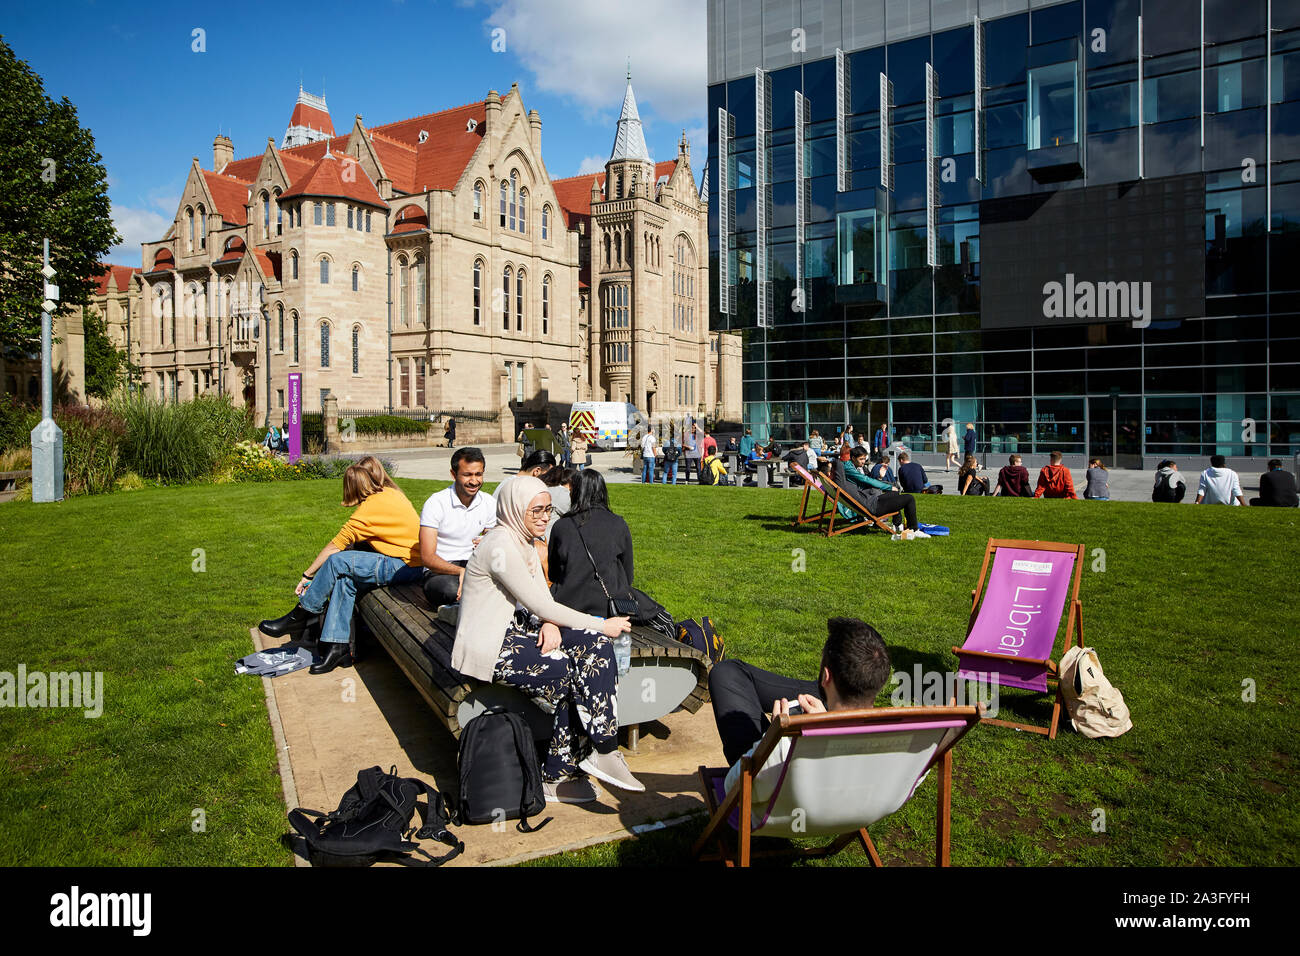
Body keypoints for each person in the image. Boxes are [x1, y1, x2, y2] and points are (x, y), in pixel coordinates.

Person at [452, 475, 640, 802]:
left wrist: (550, 622)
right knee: (578, 671)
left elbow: (543, 600)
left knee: (595, 648)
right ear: (514, 508)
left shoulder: (522, 541)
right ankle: (565, 770)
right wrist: (601, 624)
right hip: (491, 646)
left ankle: (600, 753)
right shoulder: (500, 545)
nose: (543, 517)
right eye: (535, 510)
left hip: (518, 632)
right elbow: (541, 603)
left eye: (548, 509)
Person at [260, 464, 424, 674]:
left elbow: (334, 547)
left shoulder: (368, 510)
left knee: (338, 561)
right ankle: (338, 648)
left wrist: (307, 575)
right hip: (411, 562)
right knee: (345, 579)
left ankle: (301, 614)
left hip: (406, 566)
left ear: (351, 488)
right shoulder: (390, 494)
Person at [708, 618, 892, 790]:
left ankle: (836, 692)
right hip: (854, 802)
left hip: (778, 810)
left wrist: (772, 738)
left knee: (725, 673)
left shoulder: (789, 743)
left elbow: (735, 784)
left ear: (826, 677)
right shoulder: (906, 743)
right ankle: (841, 695)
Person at [548, 470, 635, 619]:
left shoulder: (561, 526)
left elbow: (553, 573)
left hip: (568, 605)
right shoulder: (618, 524)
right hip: (607, 605)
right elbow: (627, 573)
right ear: (602, 491)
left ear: (574, 492)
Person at [419, 447, 497, 610]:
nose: (474, 481)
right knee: (449, 589)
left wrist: (487, 542)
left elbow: (493, 542)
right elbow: (427, 557)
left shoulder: (488, 502)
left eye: (478, 474)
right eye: (467, 475)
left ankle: (459, 609)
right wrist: (462, 572)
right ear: (453, 474)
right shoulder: (436, 503)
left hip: (475, 568)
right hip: (443, 571)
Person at [843, 445, 927, 539]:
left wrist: (881, 479)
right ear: (853, 458)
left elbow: (866, 481)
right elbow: (866, 480)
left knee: (894, 494)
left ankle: (897, 525)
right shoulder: (849, 469)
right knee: (909, 498)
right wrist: (888, 487)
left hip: (869, 500)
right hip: (871, 504)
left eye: (864, 459)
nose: (864, 461)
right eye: (861, 459)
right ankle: (914, 530)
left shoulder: (848, 466)